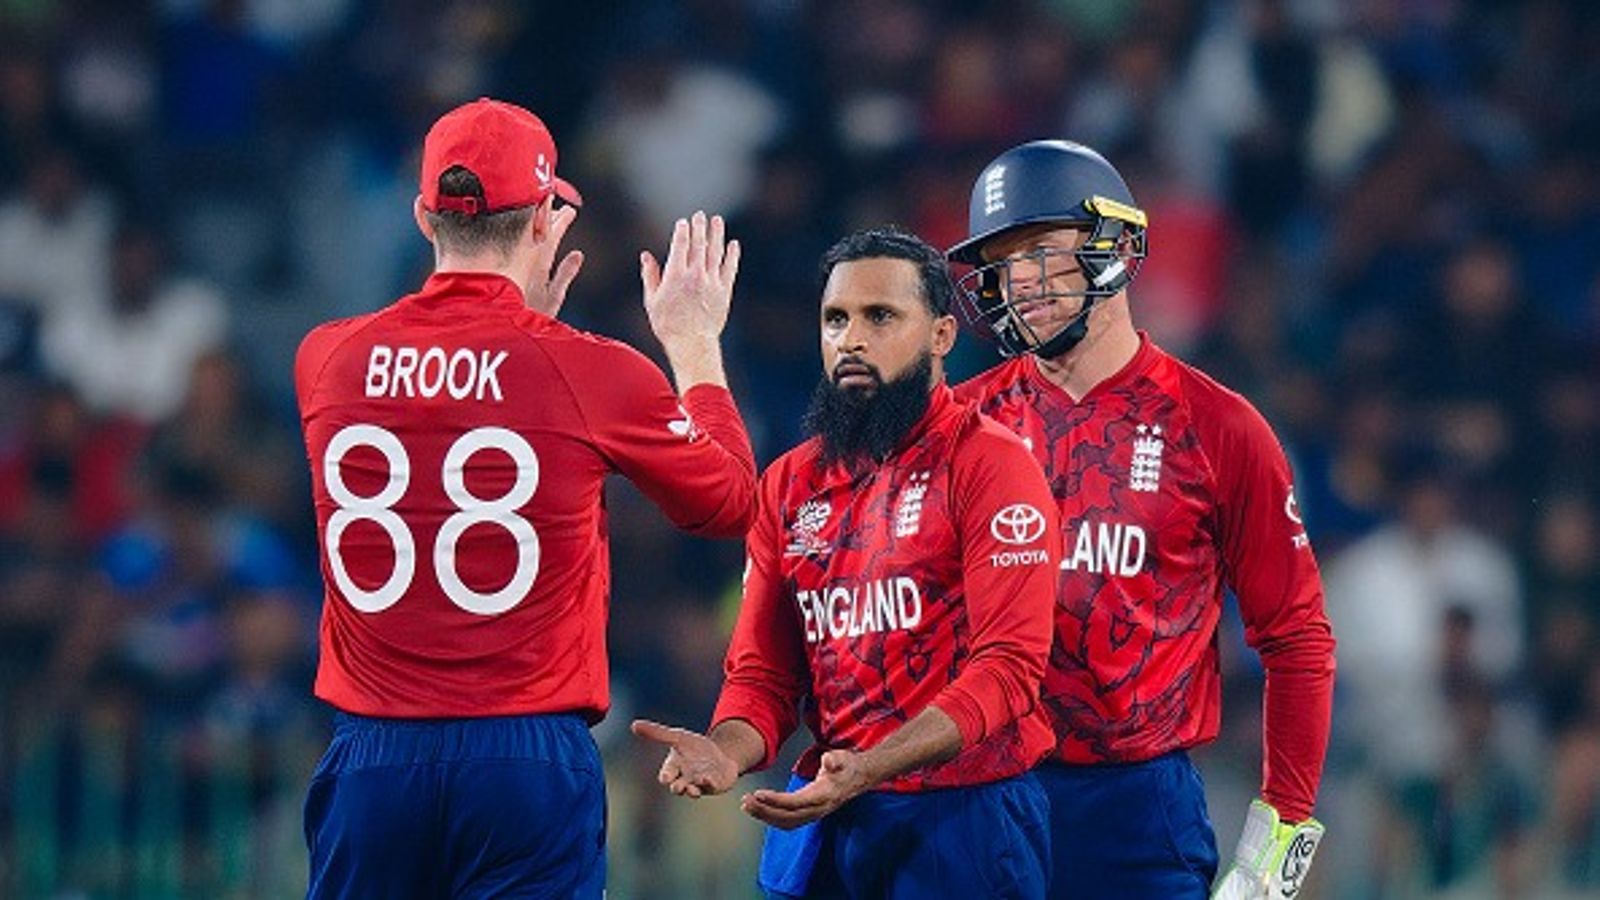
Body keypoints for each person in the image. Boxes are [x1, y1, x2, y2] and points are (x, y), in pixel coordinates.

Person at [294, 97, 757, 899]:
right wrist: (691, 342)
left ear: (422, 217)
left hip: (371, 757)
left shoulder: (325, 359)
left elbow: (446, 398)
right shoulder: (588, 370)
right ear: (545, 220)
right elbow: (728, 501)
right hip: (524, 757)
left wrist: (515, 343)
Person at [945, 140, 1337, 899]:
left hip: (1137, 811)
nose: (1021, 282)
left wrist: (1276, 847)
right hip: (975, 793)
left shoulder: (1219, 427)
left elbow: (1296, 638)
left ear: (1115, 248)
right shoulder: (954, 426)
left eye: (1043, 253)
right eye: (1003, 263)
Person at [633, 226, 1062, 899]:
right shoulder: (788, 484)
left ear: (942, 336)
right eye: (835, 319)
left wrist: (872, 767)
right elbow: (764, 675)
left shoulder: (991, 464)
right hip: (829, 813)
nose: (850, 339)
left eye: (880, 316)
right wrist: (727, 750)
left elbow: (1008, 671)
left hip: (964, 818)